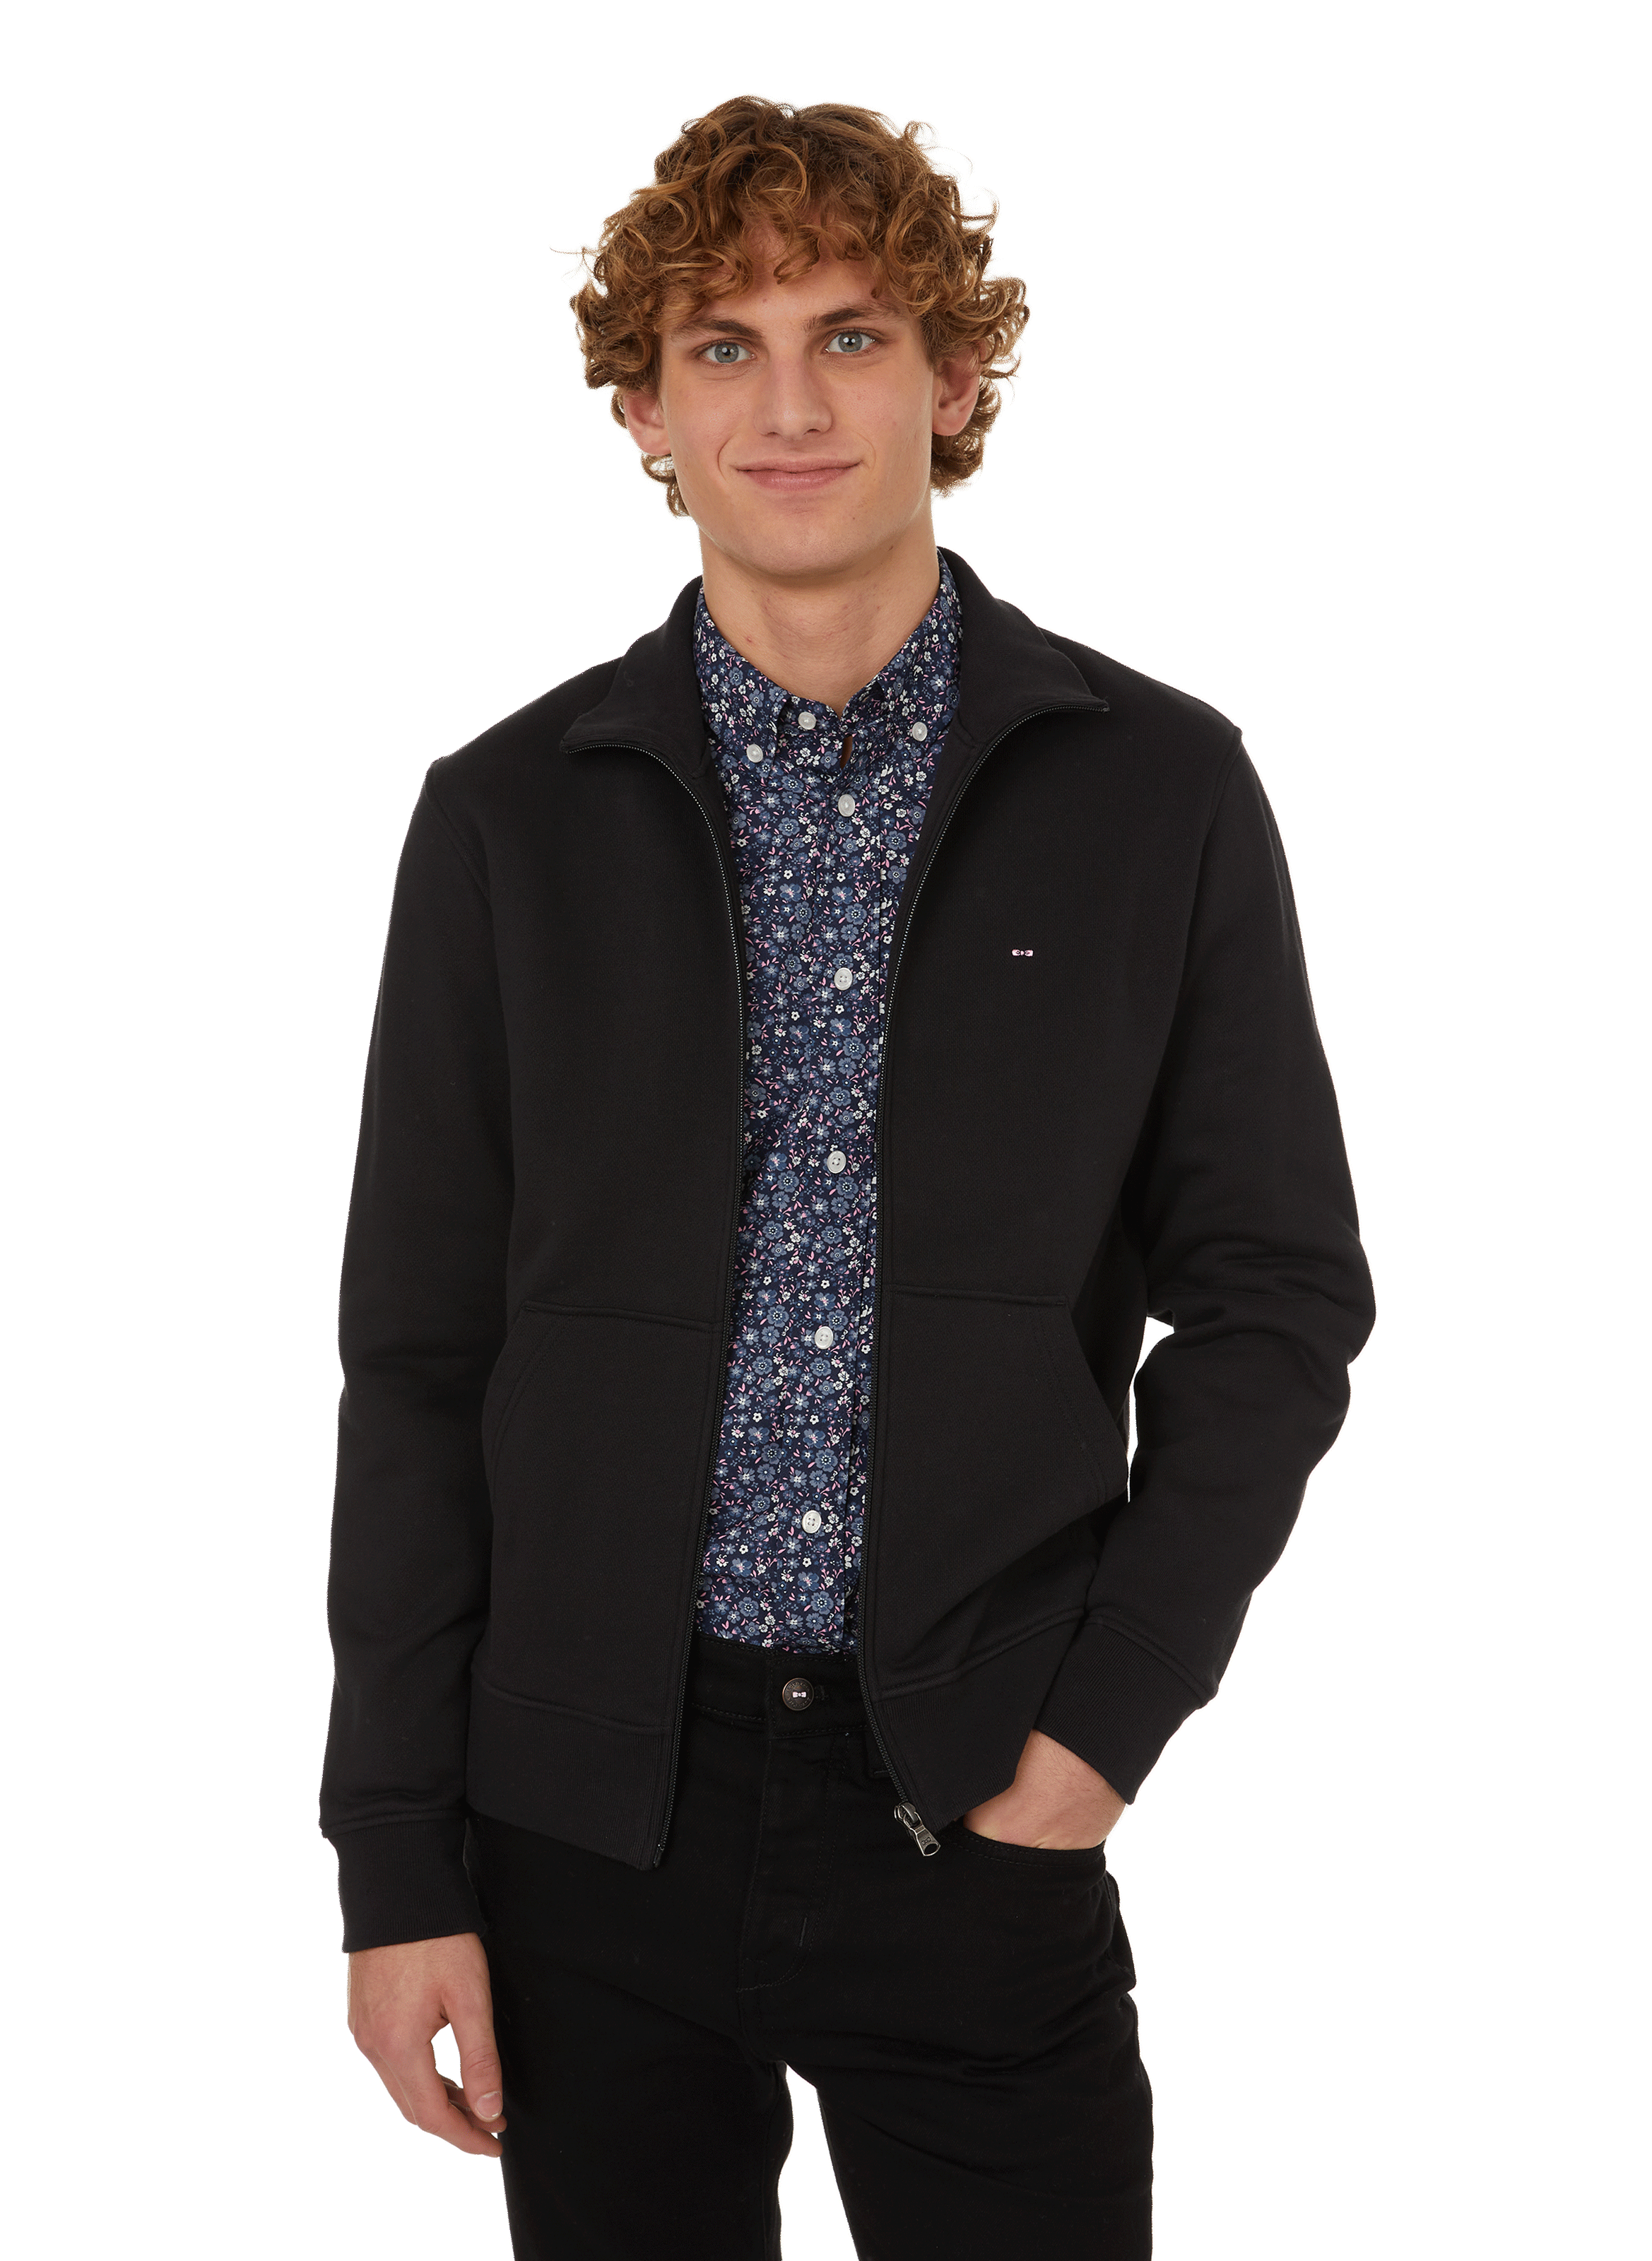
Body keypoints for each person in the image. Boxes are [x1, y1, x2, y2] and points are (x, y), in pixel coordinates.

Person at [320, 95, 1375, 2259]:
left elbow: (1275, 1296)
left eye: (853, 336)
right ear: (644, 407)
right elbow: (420, 1365)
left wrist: (1094, 1734)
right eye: (724, 347)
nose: (789, 406)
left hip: (973, 1806)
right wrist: (399, 1866)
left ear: (955, 379)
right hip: (586, 1827)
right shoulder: (510, 818)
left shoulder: (1158, 792)